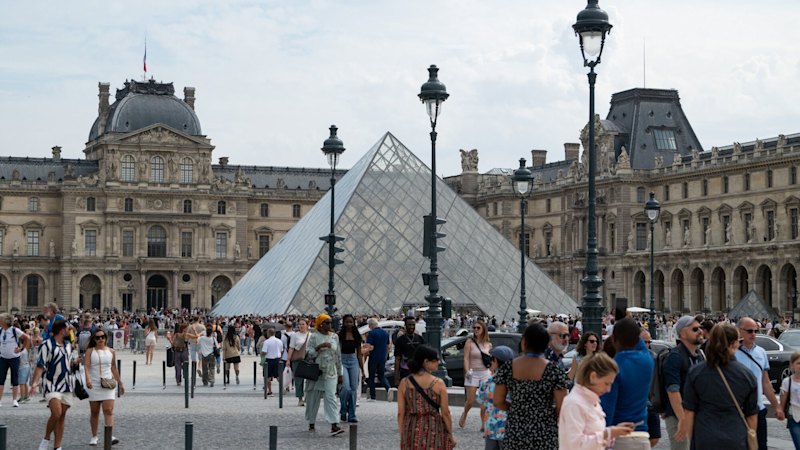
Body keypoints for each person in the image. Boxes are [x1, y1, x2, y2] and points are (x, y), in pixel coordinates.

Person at [677, 323, 758, 449]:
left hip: (705, 437)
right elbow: (751, 415)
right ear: (735, 343)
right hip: (736, 438)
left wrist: (692, 441)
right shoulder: (747, 375)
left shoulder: (696, 372)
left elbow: (689, 412)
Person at [494, 323, 568, 450]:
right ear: (546, 344)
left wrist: (517, 409)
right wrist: (547, 415)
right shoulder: (554, 371)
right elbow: (562, 406)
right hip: (545, 432)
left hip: (515, 431)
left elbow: (498, 401)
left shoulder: (507, 368)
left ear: (524, 342)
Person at [559, 352, 635, 449]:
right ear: (593, 377)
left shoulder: (591, 400)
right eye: (606, 383)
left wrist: (614, 432)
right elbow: (575, 445)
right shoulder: (574, 403)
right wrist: (608, 433)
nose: (609, 390)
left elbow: (595, 437)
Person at [599, 318, 653, 448]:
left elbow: (608, 408)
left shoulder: (613, 368)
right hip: (642, 435)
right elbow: (636, 339)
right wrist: (629, 321)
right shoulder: (647, 360)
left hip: (619, 437)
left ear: (614, 339)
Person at [735, 316, 784, 449]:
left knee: (761, 446)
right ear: (739, 331)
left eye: (755, 331)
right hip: (738, 411)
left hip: (758, 408)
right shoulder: (731, 353)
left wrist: (777, 405)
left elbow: (766, 383)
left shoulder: (761, 352)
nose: (753, 334)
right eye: (750, 331)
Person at [397, 344, 456, 450]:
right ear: (426, 362)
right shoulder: (438, 383)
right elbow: (445, 412)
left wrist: (403, 433)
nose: (439, 362)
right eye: (435, 360)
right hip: (433, 429)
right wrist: (450, 434)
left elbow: (401, 413)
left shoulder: (404, 383)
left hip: (411, 428)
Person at [31, 319, 78, 450]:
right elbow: (40, 365)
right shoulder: (46, 345)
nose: (70, 330)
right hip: (51, 383)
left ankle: (57, 446)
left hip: (66, 383)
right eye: (68, 328)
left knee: (62, 416)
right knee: (56, 413)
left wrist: (76, 362)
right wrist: (35, 383)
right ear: (62, 330)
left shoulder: (68, 345)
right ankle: (46, 438)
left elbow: (69, 363)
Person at [662, 315, 705, 450]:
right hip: (679, 417)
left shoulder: (699, 355)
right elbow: (673, 390)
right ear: (683, 334)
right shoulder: (675, 356)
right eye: (695, 329)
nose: (700, 331)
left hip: (697, 415)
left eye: (700, 328)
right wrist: (683, 419)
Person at [304, 314, 345, 436]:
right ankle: (311, 421)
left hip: (331, 371)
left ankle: (334, 424)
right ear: (320, 324)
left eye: (330, 323)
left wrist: (340, 373)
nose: (330, 325)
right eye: (327, 323)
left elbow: (338, 355)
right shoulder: (314, 337)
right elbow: (309, 353)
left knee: (331, 397)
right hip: (317, 371)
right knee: (313, 397)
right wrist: (319, 347)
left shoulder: (335, 337)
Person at [84, 329, 123, 446]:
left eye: (102, 337)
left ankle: (109, 435)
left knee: (108, 410)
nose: (100, 339)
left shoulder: (111, 351)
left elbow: (114, 368)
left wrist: (120, 382)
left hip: (108, 383)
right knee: (94, 412)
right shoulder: (90, 351)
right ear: (94, 340)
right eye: (97, 337)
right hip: (94, 383)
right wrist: (88, 379)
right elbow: (86, 366)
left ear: (106, 338)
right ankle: (94, 436)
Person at [477, 345, 516, 450]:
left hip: (491, 428)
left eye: (491, 359)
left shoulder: (487, 383)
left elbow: (483, 407)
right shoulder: (516, 383)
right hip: (510, 429)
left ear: (496, 361)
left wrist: (483, 425)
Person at [460, 319, 492, 428]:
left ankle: (483, 424)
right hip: (472, 373)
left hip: (485, 373)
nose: (476, 330)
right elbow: (466, 358)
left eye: (478, 328)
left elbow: (490, 361)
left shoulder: (488, 344)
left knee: (484, 401)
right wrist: (467, 370)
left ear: (483, 329)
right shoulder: (469, 342)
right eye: (474, 328)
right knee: (470, 400)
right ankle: (465, 413)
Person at [0, 313, 31, 407]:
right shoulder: (0, 331)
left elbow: (27, 338)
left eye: (1, 319)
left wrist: (21, 349)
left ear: (5, 321)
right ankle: (0, 400)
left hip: (14, 358)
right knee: (1, 380)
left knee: (15, 379)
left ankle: (14, 400)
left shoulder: (15, 330)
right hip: (2, 358)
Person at [338, 314, 364, 423]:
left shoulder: (357, 336)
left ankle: (352, 414)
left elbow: (359, 354)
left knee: (353, 389)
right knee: (346, 388)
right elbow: (337, 353)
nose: (349, 324)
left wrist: (362, 369)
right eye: (347, 322)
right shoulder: (340, 336)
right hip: (342, 360)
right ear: (343, 323)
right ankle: (343, 408)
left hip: (353, 361)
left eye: (351, 322)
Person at [640, 329, 661, 447]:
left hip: (652, 403)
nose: (647, 345)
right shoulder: (631, 358)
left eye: (649, 342)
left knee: (655, 437)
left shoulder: (654, 357)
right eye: (644, 342)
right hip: (638, 404)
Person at [365, 318, 391, 401]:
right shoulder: (385, 333)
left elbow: (369, 346)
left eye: (369, 326)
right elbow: (388, 346)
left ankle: (373, 396)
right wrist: (386, 356)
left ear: (371, 325)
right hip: (382, 358)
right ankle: (388, 388)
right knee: (382, 376)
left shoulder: (371, 333)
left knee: (371, 377)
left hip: (373, 357)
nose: (369, 328)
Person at [394, 317, 425, 385]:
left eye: (413, 325)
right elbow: (397, 358)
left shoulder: (420, 339)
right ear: (405, 326)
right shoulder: (400, 340)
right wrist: (396, 376)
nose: (411, 327)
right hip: (405, 370)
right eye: (409, 325)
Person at [780, 351, 800, 448]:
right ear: (792, 365)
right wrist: (780, 410)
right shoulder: (787, 382)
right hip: (794, 417)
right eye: (798, 363)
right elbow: (783, 399)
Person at [288, 318, 310, 406]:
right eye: (299, 324)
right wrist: (288, 360)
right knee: (298, 380)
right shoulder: (294, 335)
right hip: (297, 360)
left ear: (307, 325)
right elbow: (291, 348)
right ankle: (300, 398)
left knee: (309, 379)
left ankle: (308, 397)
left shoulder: (311, 335)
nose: (301, 326)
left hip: (308, 359)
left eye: (303, 324)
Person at [261, 329, 282, 395]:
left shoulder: (267, 342)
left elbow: (264, 351)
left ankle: (270, 390)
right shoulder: (279, 341)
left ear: (268, 333)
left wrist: (261, 354)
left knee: (268, 376)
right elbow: (281, 350)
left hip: (269, 360)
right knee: (278, 375)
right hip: (277, 359)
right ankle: (282, 388)